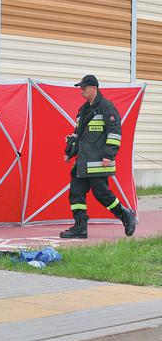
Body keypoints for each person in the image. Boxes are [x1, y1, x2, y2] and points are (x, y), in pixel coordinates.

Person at [61, 75, 136, 239]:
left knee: (102, 194)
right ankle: (80, 227)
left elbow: (115, 132)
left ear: (94, 88)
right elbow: (77, 134)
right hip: (82, 161)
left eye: (84, 88)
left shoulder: (106, 107)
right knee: (75, 193)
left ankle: (125, 214)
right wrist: (70, 152)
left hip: (98, 161)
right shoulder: (83, 109)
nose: (81, 91)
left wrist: (109, 154)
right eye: (80, 88)